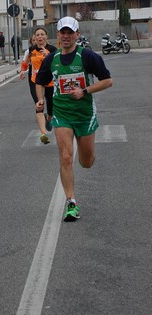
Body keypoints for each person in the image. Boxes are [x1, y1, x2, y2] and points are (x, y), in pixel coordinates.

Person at [35, 16, 113, 222]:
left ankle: (86, 156)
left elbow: (107, 81)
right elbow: (40, 81)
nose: (66, 36)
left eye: (70, 33)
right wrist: (41, 100)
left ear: (77, 34)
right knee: (66, 157)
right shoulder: (51, 59)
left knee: (86, 162)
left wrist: (85, 90)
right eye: (63, 33)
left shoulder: (87, 56)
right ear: (58, 36)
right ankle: (71, 202)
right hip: (62, 113)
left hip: (85, 114)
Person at [19, 26, 56, 144]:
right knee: (38, 105)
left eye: (42, 34)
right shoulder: (31, 50)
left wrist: (49, 55)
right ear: (34, 37)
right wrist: (22, 71)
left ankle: (49, 118)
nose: (40, 37)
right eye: (37, 35)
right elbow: (26, 61)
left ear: (46, 36)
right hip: (35, 81)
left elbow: (58, 64)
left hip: (50, 81)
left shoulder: (53, 49)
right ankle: (43, 134)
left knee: (51, 107)